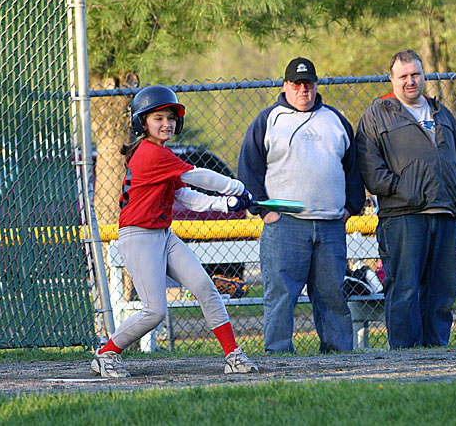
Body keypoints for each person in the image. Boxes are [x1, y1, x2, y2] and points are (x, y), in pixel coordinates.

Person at [91, 85, 258, 377]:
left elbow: (186, 197)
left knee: (206, 288)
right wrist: (236, 186)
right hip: (139, 236)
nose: (166, 123)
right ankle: (106, 355)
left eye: (170, 117)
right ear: (142, 123)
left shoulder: (162, 156)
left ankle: (233, 355)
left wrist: (224, 204)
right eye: (158, 118)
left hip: (163, 235)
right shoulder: (151, 153)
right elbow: (198, 175)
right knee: (154, 311)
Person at [238, 57, 365, 353]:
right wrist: (265, 211)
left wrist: (350, 207)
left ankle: (338, 352)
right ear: (285, 86)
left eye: (308, 84)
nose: (302, 90)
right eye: (296, 84)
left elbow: (353, 169)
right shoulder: (268, 120)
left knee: (332, 293)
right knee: (282, 294)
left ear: (316, 86)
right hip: (285, 225)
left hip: (330, 225)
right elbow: (249, 170)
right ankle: (279, 353)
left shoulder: (335, 120)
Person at [356, 49, 456, 349]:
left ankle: (437, 353)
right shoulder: (377, 114)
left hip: (445, 214)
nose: (411, 81)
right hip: (403, 217)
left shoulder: (440, 112)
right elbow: (371, 168)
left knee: (442, 291)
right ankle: (405, 357)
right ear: (391, 79)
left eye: (416, 74)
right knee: (405, 289)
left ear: (423, 75)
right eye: (404, 76)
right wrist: (404, 191)